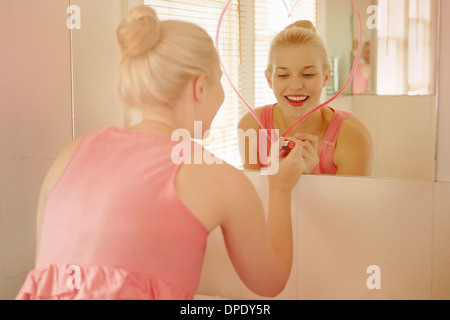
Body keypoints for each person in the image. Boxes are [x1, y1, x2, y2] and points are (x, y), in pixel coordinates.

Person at [15, 5, 307, 300]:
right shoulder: (217, 178)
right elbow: (270, 282)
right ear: (199, 88)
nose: (222, 93)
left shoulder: (70, 154)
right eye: (219, 80)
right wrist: (280, 187)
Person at [239, 21, 373, 176]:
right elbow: (254, 199)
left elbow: (351, 201)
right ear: (269, 79)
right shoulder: (252, 126)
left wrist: (308, 180)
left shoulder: (353, 136)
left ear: (326, 76)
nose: (296, 86)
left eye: (308, 74)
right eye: (283, 75)